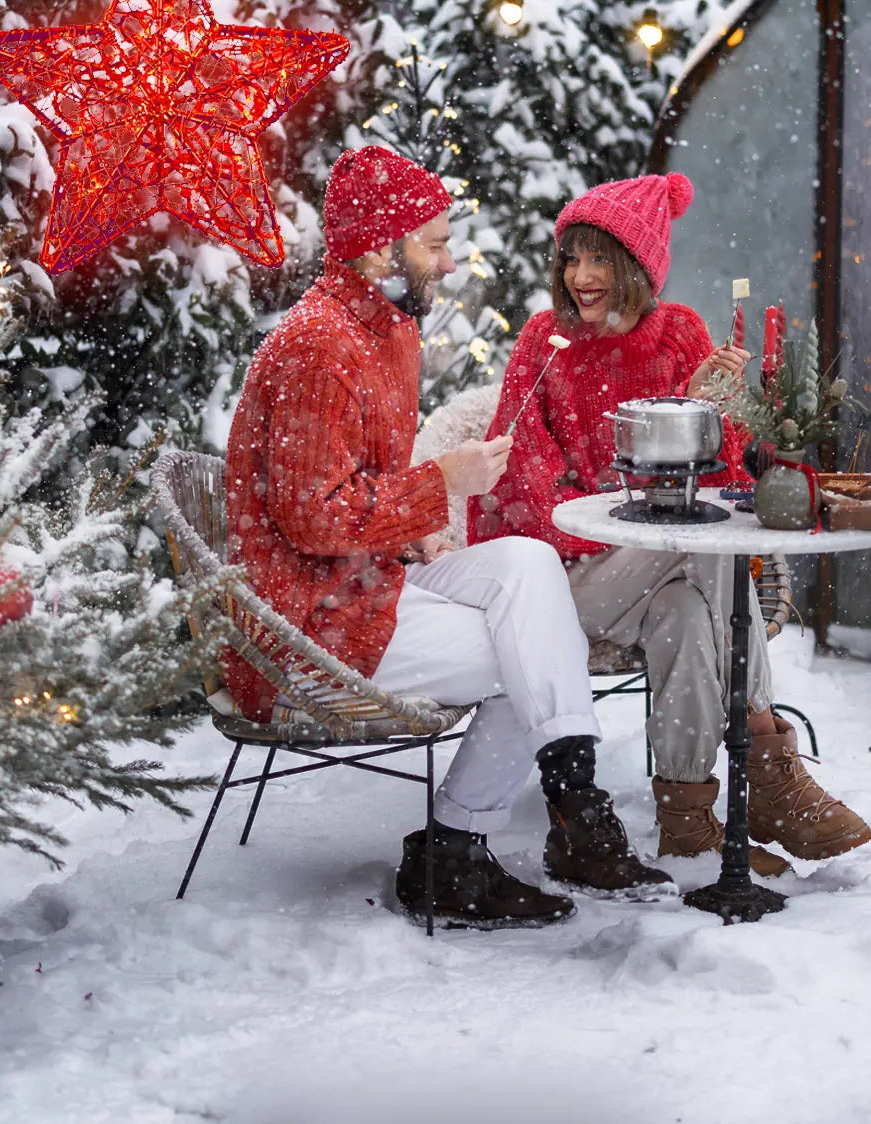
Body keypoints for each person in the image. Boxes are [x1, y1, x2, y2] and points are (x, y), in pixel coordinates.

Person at [225, 145, 669, 929]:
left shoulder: (385, 329)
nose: (450, 259)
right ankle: (462, 846)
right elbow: (311, 517)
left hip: (368, 580)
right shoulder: (318, 348)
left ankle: (561, 797)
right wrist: (442, 487)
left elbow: (356, 491)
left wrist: (419, 529)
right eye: (432, 242)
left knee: (526, 569)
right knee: (526, 646)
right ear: (376, 250)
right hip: (309, 618)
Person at [468, 171, 871, 872]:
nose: (582, 277)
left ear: (638, 267)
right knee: (703, 545)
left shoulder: (680, 333)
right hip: (561, 586)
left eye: (600, 259)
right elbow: (519, 484)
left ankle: (686, 816)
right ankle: (769, 763)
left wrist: (709, 414)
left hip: (661, 575)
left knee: (687, 608)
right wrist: (612, 527)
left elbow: (724, 484)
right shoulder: (544, 342)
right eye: (572, 258)